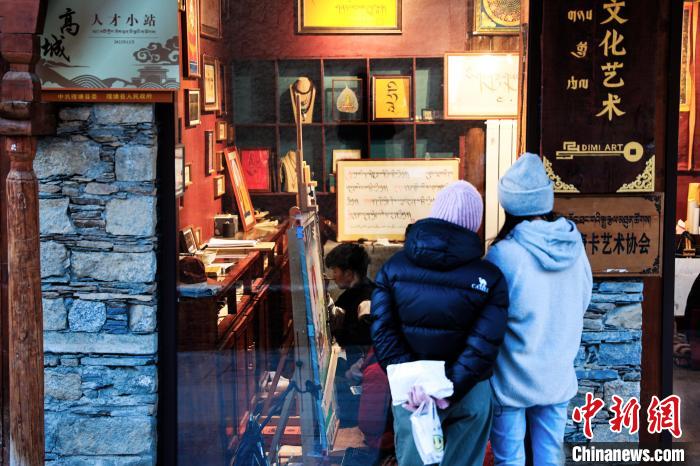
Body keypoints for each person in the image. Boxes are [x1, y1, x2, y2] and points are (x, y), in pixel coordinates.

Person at [371, 180, 509, 466]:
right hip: (467, 392)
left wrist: (414, 383)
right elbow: (484, 345)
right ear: (475, 225)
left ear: (435, 213)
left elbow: (382, 331)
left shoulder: (392, 269)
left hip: (411, 395)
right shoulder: (490, 277)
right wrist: (449, 389)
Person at [485, 153, 592, 466]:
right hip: (557, 374)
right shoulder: (573, 246)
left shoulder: (503, 254)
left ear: (508, 205)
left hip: (511, 378)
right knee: (549, 458)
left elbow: (490, 319)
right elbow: (583, 301)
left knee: (510, 460)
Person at [325, 243, 376, 425]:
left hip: (364, 369)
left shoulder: (366, 298)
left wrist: (339, 331)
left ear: (348, 273)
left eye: (335, 271)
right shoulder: (353, 294)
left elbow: (365, 336)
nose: (333, 276)